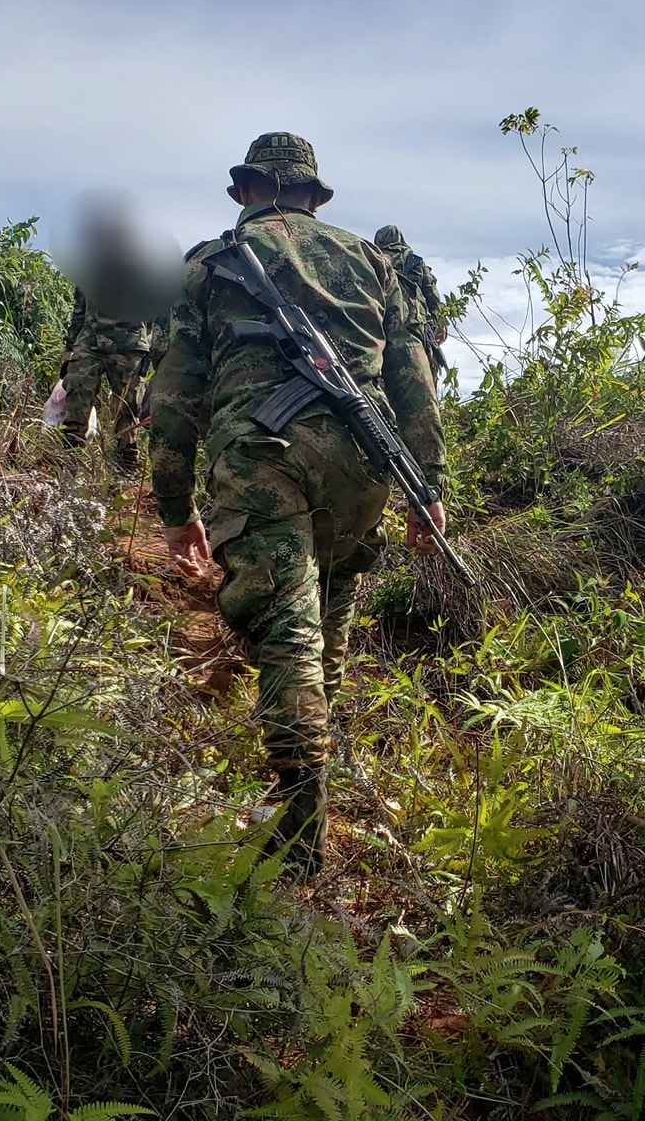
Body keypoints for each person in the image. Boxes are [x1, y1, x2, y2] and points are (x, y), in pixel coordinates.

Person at [147, 132, 448, 876]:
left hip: (262, 461)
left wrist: (173, 506)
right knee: (328, 630)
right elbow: (415, 377)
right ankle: (318, 761)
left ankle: (300, 838)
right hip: (364, 461)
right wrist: (428, 488)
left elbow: (175, 395)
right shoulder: (374, 261)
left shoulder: (209, 263)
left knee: (287, 642)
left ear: (247, 191)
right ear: (315, 198)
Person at [59, 288, 151, 472]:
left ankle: (126, 470)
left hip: (129, 344)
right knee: (77, 396)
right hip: (90, 341)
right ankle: (70, 464)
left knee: (127, 410)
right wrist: (69, 348)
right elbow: (79, 308)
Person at [373, 225, 449, 383]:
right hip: (415, 326)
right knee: (425, 377)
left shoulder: (373, 259)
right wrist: (441, 324)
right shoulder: (415, 262)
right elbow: (432, 297)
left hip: (380, 325)